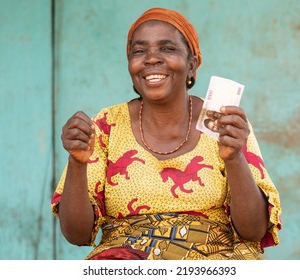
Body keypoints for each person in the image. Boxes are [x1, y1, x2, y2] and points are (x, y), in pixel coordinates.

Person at [51, 7, 282, 260]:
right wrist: (76, 162)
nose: (151, 59)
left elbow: (254, 231)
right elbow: (76, 235)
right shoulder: (106, 125)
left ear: (192, 65)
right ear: (131, 66)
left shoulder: (224, 123)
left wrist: (234, 158)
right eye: (139, 51)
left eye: (167, 48)